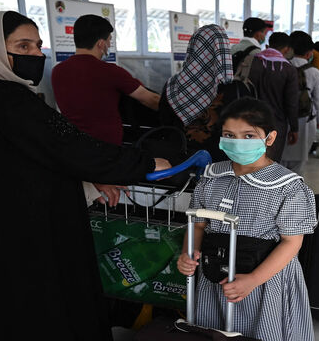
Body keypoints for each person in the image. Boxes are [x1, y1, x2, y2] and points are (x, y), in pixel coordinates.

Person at [0, 11, 170, 341]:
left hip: (15, 226)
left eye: (37, 46)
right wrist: (143, 164)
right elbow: (67, 146)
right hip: (32, 233)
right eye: (22, 47)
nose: (36, 55)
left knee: (27, 312)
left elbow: (42, 154)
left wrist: (94, 174)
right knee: (53, 309)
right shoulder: (4, 98)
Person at [177, 97, 316, 341]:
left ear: (269, 138)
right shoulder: (213, 177)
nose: (236, 142)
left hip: (262, 279)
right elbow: (198, 224)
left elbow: (291, 242)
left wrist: (254, 279)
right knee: (211, 333)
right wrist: (188, 254)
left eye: (247, 135)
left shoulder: (288, 186)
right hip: (215, 274)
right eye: (228, 134)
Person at [51, 14, 160, 206]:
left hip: (72, 153)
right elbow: (149, 99)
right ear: (101, 43)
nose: (109, 45)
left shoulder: (58, 71)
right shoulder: (110, 72)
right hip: (106, 156)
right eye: (109, 40)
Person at [159, 24, 234, 161]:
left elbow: (164, 120)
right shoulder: (235, 88)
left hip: (180, 160)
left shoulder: (172, 85)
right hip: (221, 163)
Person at [248, 31, 299, 162]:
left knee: (250, 160)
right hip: (276, 124)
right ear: (286, 49)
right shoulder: (289, 69)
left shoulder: (253, 62)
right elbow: (291, 103)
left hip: (250, 120)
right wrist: (294, 128)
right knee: (270, 161)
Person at [282, 31, 319, 173]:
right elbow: (318, 100)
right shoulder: (314, 72)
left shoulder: (283, 67)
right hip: (306, 120)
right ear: (309, 52)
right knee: (299, 161)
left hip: (285, 118)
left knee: (281, 159)